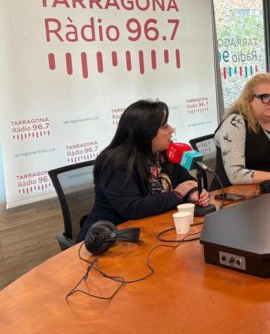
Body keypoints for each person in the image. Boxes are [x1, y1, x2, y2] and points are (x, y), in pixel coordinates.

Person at [78, 100, 211, 241]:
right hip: (110, 240)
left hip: (152, 232)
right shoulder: (114, 163)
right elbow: (133, 208)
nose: (172, 130)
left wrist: (193, 193)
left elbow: (186, 181)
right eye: (165, 127)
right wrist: (177, 194)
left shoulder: (164, 154)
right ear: (146, 132)